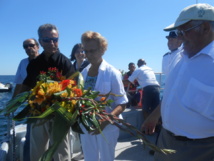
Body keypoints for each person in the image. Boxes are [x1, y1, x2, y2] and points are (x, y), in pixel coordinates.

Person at [144, 3, 214, 161]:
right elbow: (171, 92)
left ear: (204, 28)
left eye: (183, 31)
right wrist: (155, 115)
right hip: (165, 139)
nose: (180, 38)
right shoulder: (179, 56)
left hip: (199, 150)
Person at [20, 24, 75, 161]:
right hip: (38, 113)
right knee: (37, 152)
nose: (51, 43)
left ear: (58, 40)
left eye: (55, 39)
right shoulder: (34, 64)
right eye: (47, 39)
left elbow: (74, 89)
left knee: (62, 153)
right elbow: (27, 85)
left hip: (59, 115)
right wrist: (14, 103)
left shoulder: (65, 63)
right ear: (40, 41)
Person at [80, 31, 128, 161]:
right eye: (86, 51)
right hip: (87, 125)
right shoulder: (84, 72)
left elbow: (122, 103)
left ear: (102, 50)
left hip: (107, 127)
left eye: (92, 51)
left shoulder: (112, 73)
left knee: (107, 158)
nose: (88, 55)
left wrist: (105, 121)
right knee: (89, 158)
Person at [13, 38, 39, 161]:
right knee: (30, 137)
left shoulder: (45, 60)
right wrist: (12, 104)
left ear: (37, 46)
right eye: (25, 46)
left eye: (31, 45)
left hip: (48, 105)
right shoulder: (23, 63)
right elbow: (19, 85)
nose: (28, 48)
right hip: (32, 106)